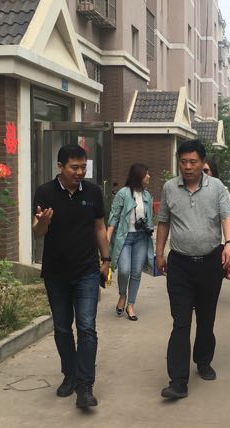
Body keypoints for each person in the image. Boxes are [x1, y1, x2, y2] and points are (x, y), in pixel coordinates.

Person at [156, 139, 230, 400]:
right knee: (181, 322)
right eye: (183, 162)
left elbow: (226, 217)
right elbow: (164, 222)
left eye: (193, 162)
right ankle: (178, 381)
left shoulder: (216, 187)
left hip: (210, 263)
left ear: (203, 163)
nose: (188, 167)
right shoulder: (170, 188)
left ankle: (203, 360)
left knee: (206, 318)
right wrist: (159, 253)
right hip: (179, 264)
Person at [32, 145, 110, 408]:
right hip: (56, 273)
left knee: (87, 328)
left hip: (87, 271)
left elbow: (99, 228)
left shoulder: (93, 192)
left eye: (83, 167)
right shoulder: (44, 192)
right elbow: (38, 232)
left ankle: (85, 386)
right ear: (60, 166)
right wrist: (44, 221)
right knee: (63, 328)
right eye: (74, 167)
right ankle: (70, 375)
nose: (79, 172)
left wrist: (106, 260)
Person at [106, 163, 154, 321]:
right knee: (124, 270)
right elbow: (114, 216)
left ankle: (130, 304)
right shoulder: (123, 193)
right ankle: (122, 295)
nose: (149, 176)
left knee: (136, 272)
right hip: (125, 238)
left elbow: (149, 219)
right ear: (139, 176)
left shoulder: (147, 196)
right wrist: (107, 237)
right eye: (146, 174)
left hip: (141, 238)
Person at [202, 156, 230, 228]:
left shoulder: (221, 190)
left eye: (205, 171)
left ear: (213, 172)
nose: (203, 174)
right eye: (200, 171)